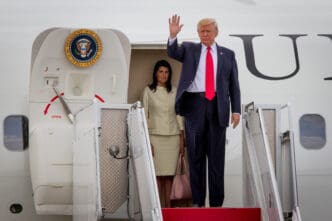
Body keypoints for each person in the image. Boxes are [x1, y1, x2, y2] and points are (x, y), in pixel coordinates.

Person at [167, 15, 241, 207]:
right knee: (196, 157)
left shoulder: (228, 54)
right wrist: (173, 35)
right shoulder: (190, 49)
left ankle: (216, 203)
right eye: (202, 31)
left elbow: (234, 85)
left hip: (218, 106)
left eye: (208, 31)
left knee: (217, 159)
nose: (205, 34)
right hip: (194, 106)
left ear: (216, 32)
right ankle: (199, 202)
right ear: (198, 33)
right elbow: (173, 52)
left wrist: (236, 110)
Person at [141, 59, 185, 208]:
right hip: (154, 138)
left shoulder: (175, 91)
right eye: (161, 71)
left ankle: (168, 211)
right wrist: (147, 141)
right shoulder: (148, 91)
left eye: (166, 72)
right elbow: (144, 116)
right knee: (157, 178)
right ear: (155, 73)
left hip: (173, 139)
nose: (164, 75)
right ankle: (157, 211)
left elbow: (179, 115)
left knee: (170, 178)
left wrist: (182, 139)